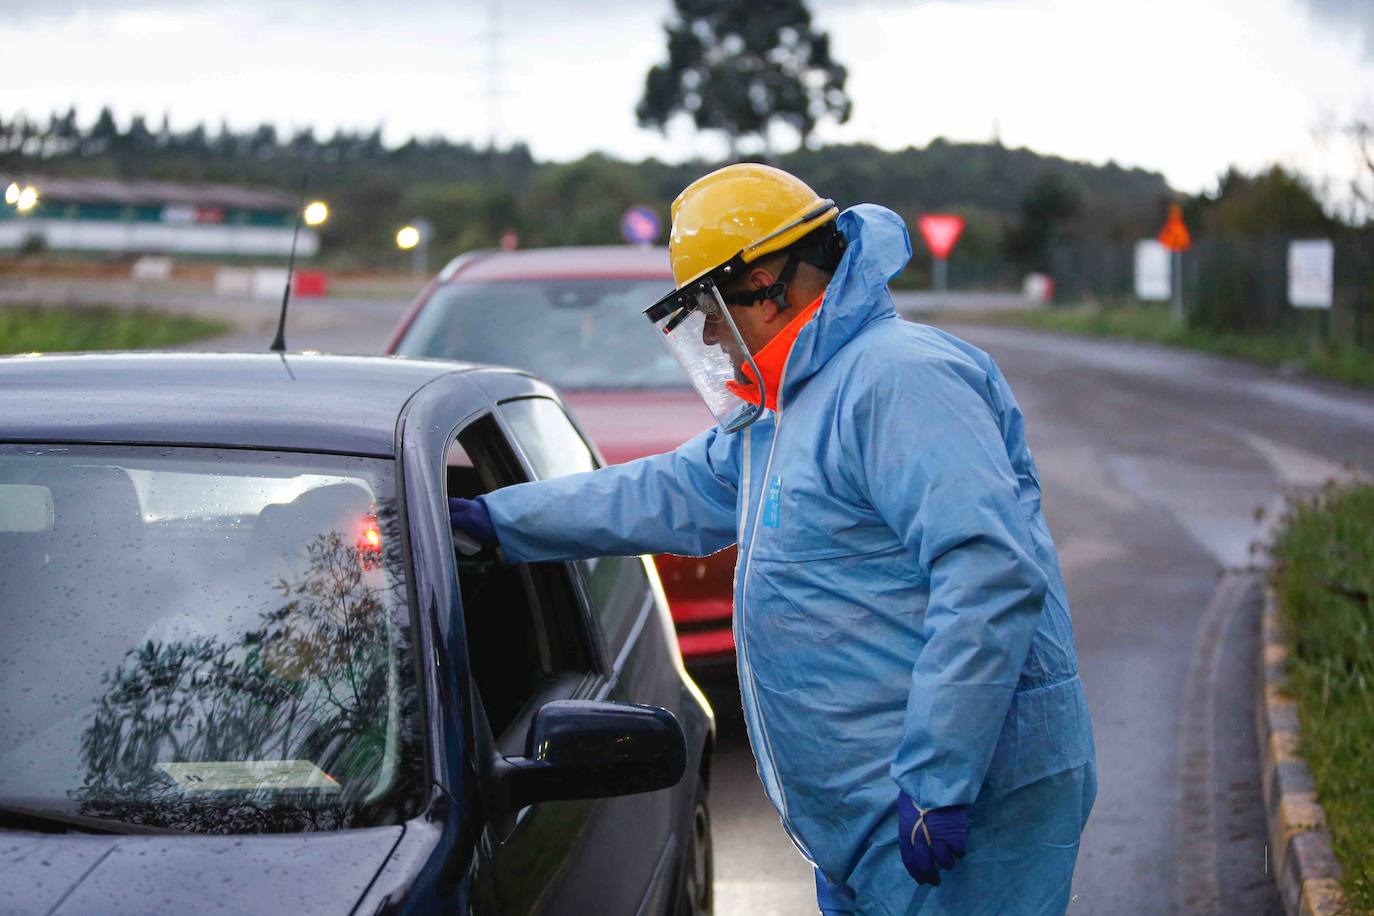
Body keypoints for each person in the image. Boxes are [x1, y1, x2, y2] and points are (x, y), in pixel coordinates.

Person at [448, 164, 1096, 915]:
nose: (713, 335)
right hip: (874, 817)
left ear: (768, 283)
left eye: (713, 309)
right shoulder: (791, 408)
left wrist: (939, 775)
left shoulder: (898, 380)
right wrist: (502, 521)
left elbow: (986, 574)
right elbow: (671, 491)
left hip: (960, 806)